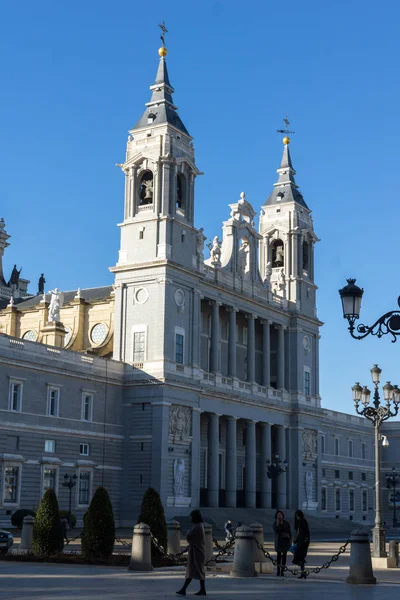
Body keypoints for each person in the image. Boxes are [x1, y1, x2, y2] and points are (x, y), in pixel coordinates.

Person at [176, 509, 206, 596]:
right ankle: (199, 590)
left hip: (197, 552)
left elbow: (189, 537)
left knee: (196, 571)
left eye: (191, 516)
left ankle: (185, 589)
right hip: (196, 551)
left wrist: (187, 533)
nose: (190, 518)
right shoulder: (199, 526)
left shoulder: (197, 526)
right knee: (194, 571)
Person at [292, 509, 310, 579]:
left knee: (300, 556)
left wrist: (305, 540)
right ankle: (303, 571)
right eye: (296, 516)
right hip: (300, 542)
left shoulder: (303, 522)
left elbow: (306, 533)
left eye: (298, 516)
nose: (297, 517)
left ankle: (303, 572)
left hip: (303, 543)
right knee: (299, 556)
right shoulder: (299, 522)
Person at [273, 510, 292, 576]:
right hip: (278, 541)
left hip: (285, 541)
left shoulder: (286, 523)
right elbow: (276, 530)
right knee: (278, 556)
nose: (280, 516)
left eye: (281, 514)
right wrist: (278, 524)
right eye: (278, 515)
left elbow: (288, 531)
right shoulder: (275, 523)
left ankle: (282, 571)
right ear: (276, 516)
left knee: (284, 556)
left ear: (283, 516)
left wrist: (290, 540)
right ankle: (278, 570)